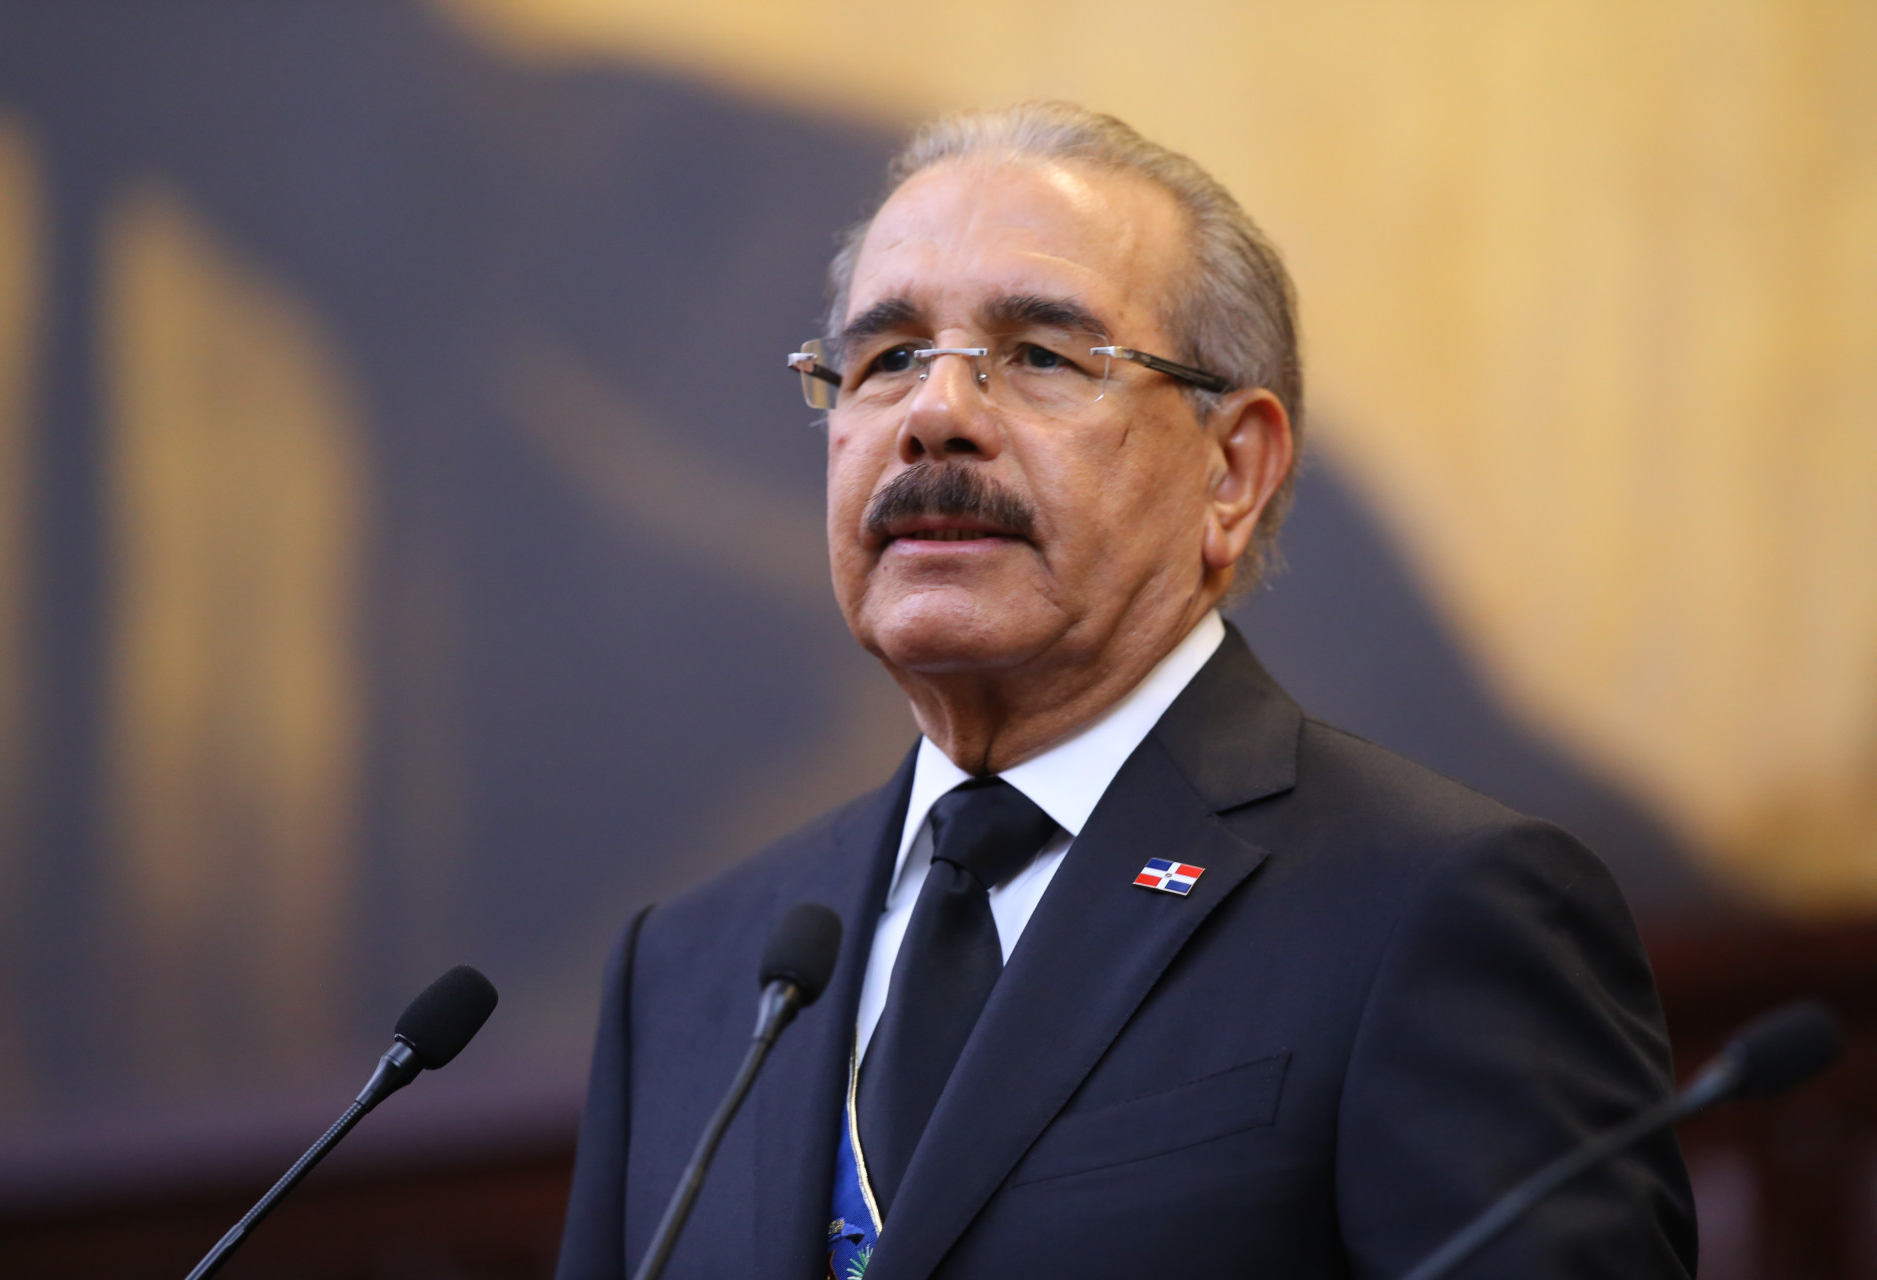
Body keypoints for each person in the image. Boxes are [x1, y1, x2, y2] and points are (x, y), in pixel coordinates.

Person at [555, 102, 1694, 1280]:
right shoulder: (692, 968)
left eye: (1041, 356)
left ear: (1232, 471)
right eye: (888, 359)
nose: (935, 416)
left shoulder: (1433, 904)